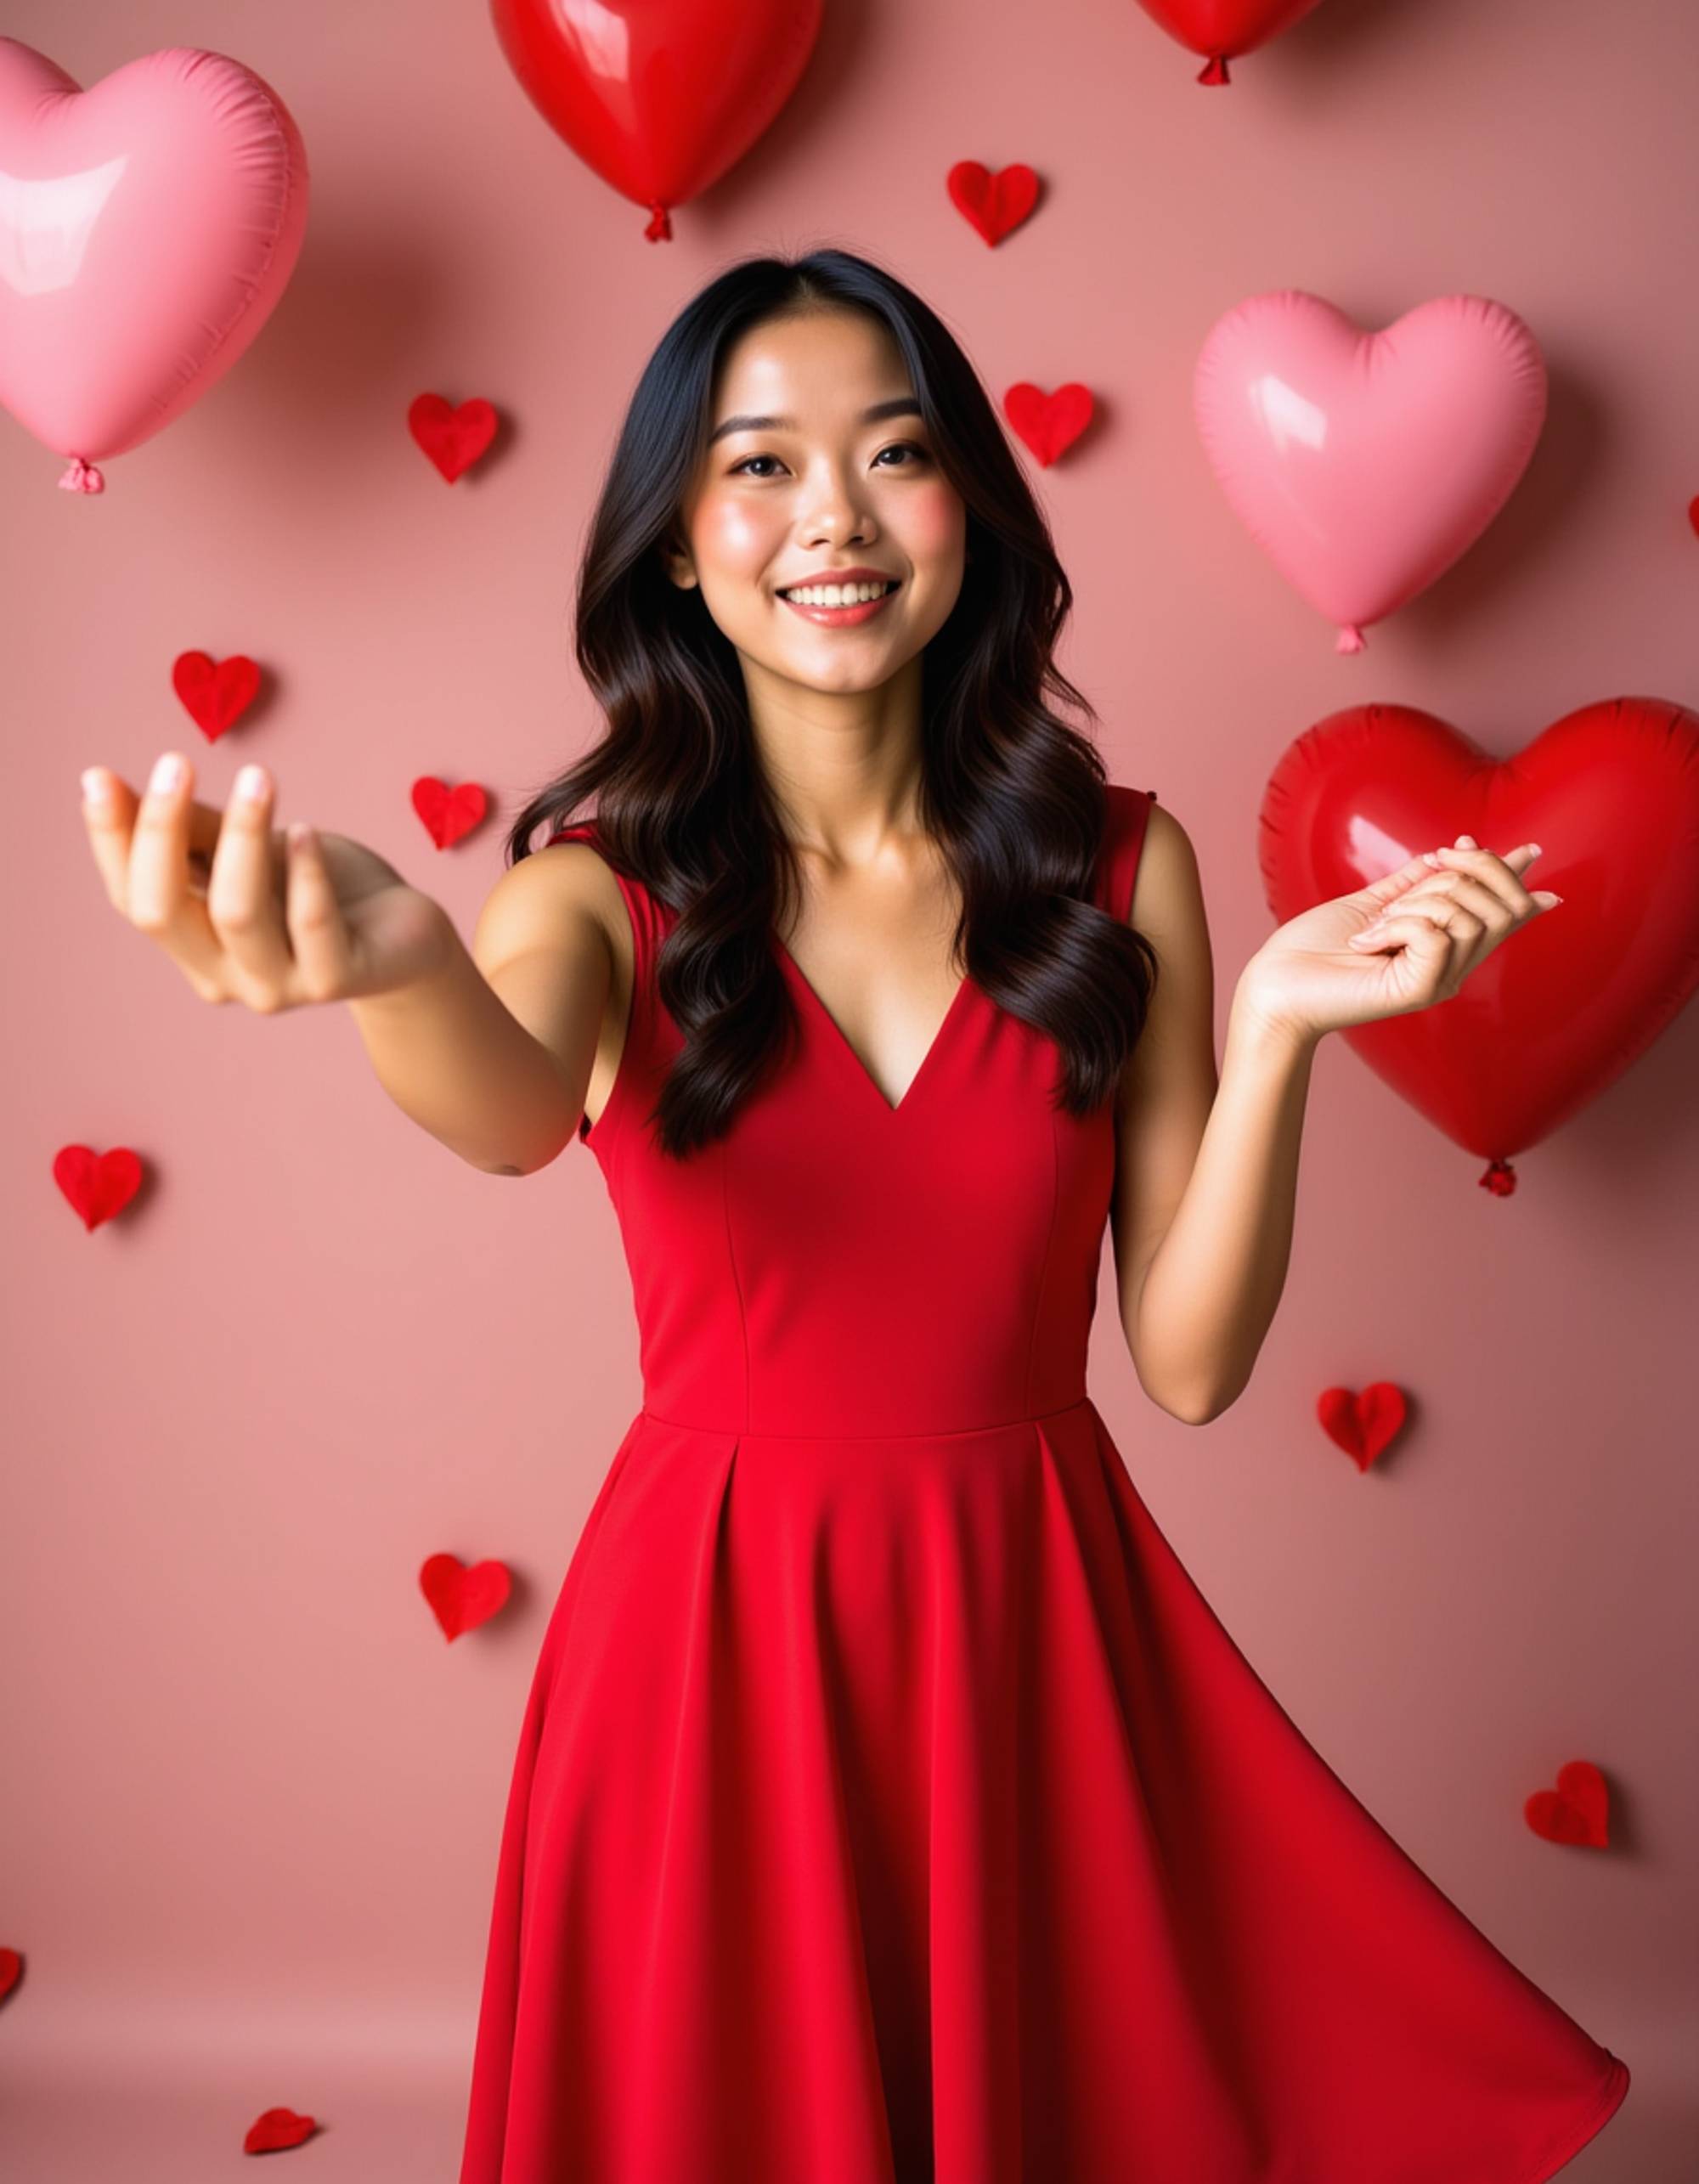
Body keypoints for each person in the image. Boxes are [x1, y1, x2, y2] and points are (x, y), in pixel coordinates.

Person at [79, 248, 1625, 2184]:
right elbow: (497, 1101)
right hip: (706, 1647)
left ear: (970, 505)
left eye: (893, 452)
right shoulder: (587, 891)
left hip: (1028, 1624)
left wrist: (1282, 1030)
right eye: (758, 466)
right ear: (673, 545)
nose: (832, 516)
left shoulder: (1115, 865)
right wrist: (392, 959)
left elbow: (1193, 1362)